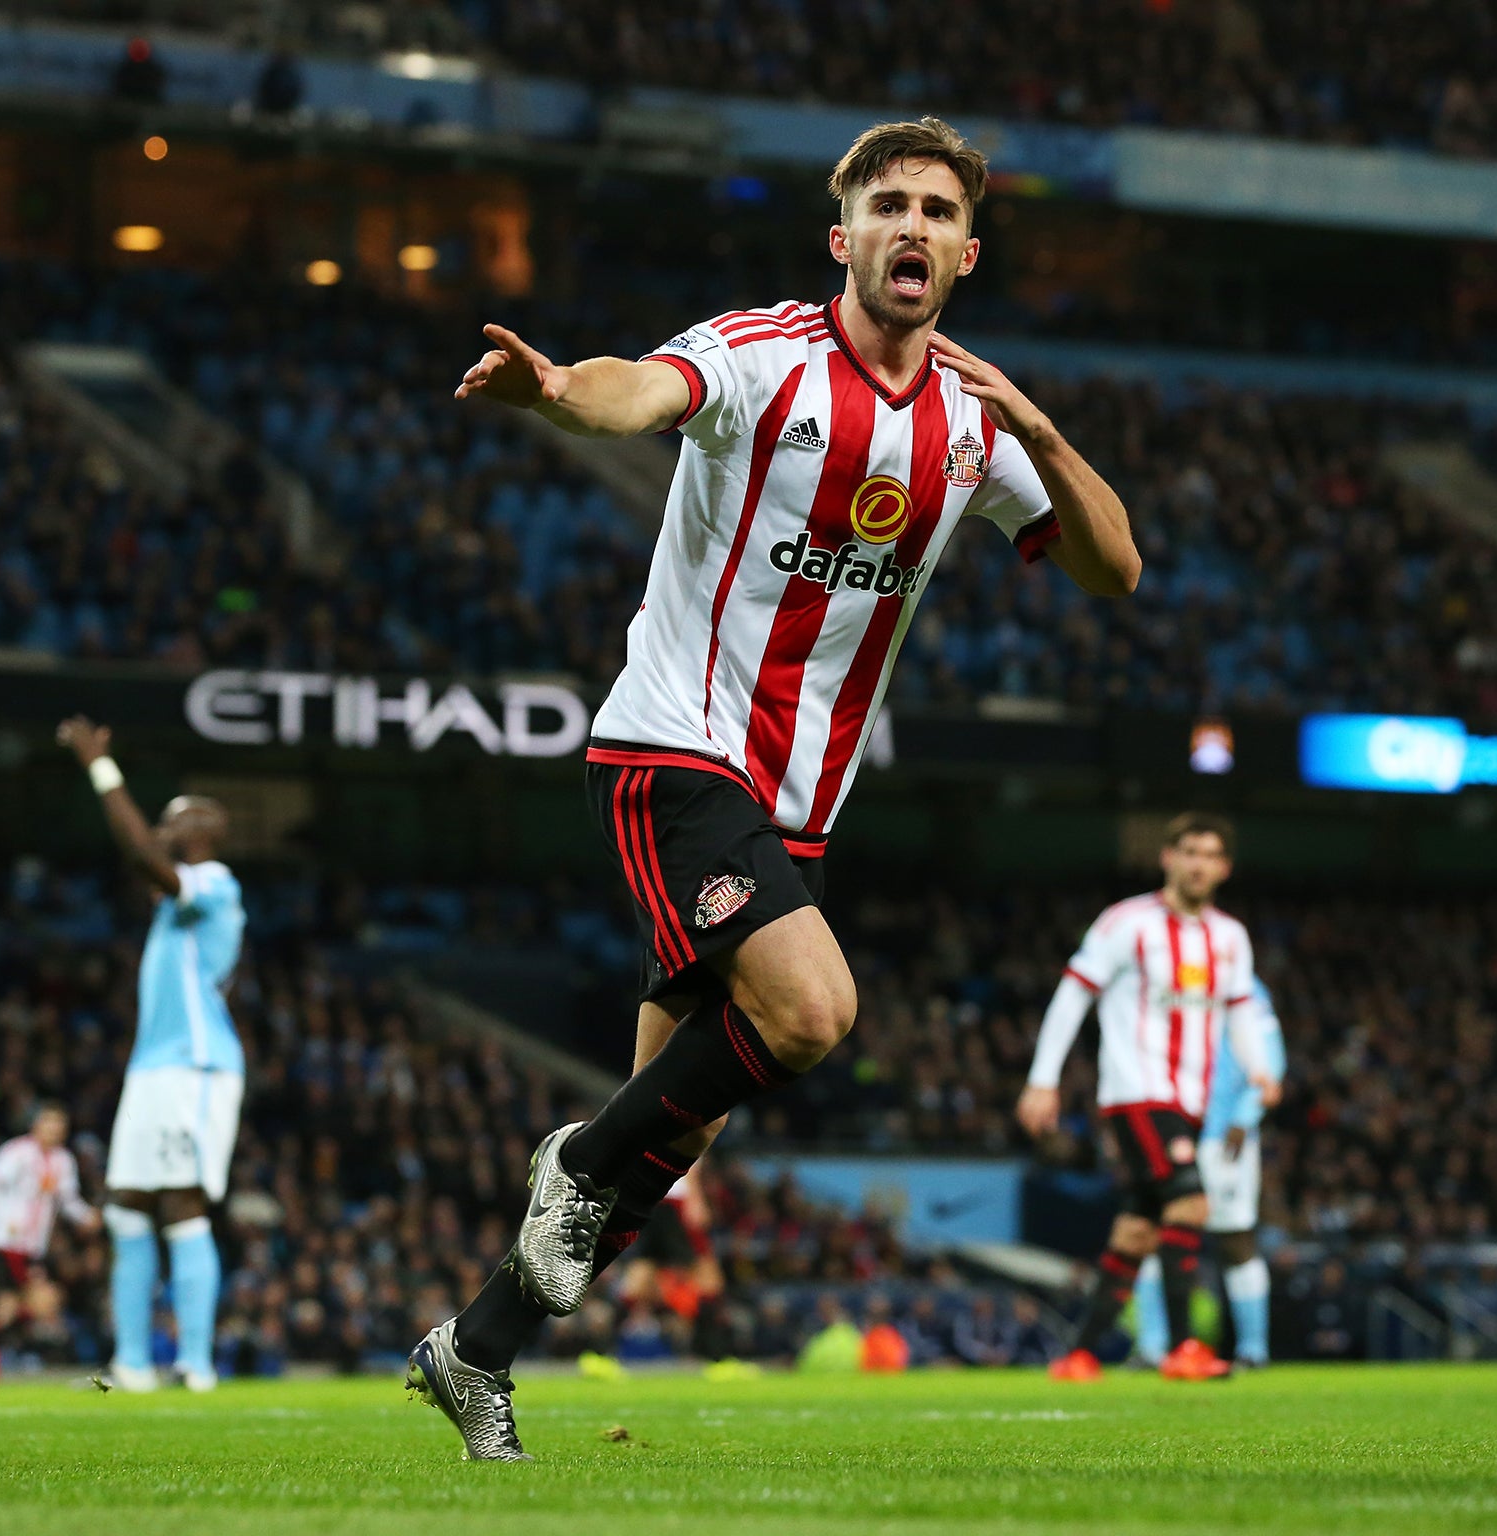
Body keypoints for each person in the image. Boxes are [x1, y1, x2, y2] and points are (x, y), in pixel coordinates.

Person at [410, 114, 1139, 1459]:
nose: (911, 225)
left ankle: (474, 1351)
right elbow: (641, 392)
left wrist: (1040, 419)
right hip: (672, 746)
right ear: (843, 237)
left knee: (662, 1153)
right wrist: (563, 389)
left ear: (967, 253)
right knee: (812, 1013)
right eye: (889, 205)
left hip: (793, 804)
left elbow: (1114, 568)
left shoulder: (976, 427)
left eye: (935, 210)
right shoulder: (763, 356)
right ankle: (568, 1161)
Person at [1016, 813, 1278, 1383]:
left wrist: (1259, 1069)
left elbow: (1239, 1011)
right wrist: (1043, 1078)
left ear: (1224, 868)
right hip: (1136, 1093)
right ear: (1167, 857)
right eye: (1188, 851)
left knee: (1138, 1229)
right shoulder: (1126, 922)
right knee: (1191, 1204)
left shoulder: (1229, 937)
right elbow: (1073, 994)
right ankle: (1184, 1349)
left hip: (1190, 1100)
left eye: (1210, 854)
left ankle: (1080, 1354)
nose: (1198, 863)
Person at [58, 716, 244, 1393]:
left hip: (193, 1066)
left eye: (177, 818)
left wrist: (98, 767)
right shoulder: (172, 905)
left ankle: (194, 1365)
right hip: (153, 1069)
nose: (165, 825)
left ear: (204, 834)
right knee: (125, 1206)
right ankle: (133, 1364)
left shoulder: (216, 883)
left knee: (180, 1202)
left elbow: (140, 853)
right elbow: (139, 857)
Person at [1131, 977, 1287, 1369]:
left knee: (1234, 1239)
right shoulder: (1161, 976)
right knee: (1153, 1234)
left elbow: (1270, 1056)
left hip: (1223, 1134)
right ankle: (1153, 1347)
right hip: (1168, 1128)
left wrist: (1247, 1113)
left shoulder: (1245, 987)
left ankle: (1253, 1350)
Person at [0, 1103, 99, 1379]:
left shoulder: (63, 1161)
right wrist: (4, 1216)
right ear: (35, 1125)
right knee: (41, 1300)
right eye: (48, 1123)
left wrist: (87, 1216)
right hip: (7, 1241)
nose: (53, 1129)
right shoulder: (17, 1152)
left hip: (33, 1244)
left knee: (10, 1304)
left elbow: (68, 1200)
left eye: (59, 1125)